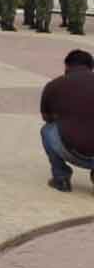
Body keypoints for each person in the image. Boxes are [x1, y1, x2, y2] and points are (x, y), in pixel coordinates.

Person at [40, 50, 94, 192]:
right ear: (91, 67)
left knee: (47, 130)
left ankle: (61, 178)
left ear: (66, 65)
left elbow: (47, 118)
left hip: (71, 151)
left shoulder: (53, 85)